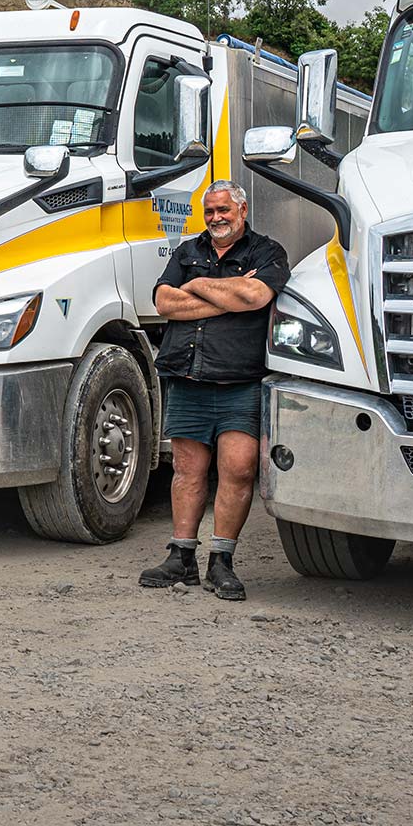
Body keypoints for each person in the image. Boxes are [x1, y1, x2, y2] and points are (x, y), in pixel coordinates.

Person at [140, 180, 290, 600]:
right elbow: (164, 303)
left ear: (241, 210)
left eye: (223, 210)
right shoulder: (188, 250)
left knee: (238, 469)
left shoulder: (267, 252)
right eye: (209, 211)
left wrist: (197, 285)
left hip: (239, 380)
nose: (215, 218)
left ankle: (221, 561)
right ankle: (181, 556)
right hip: (187, 376)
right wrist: (230, 295)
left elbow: (257, 295)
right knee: (187, 470)